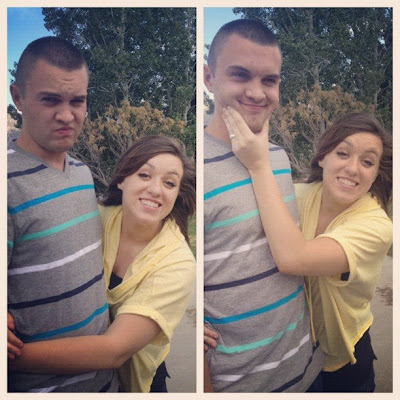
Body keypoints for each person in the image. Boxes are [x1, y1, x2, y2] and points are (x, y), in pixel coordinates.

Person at [221, 108, 392, 392]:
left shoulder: (377, 226)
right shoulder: (296, 196)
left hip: (343, 357)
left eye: (367, 162)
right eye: (342, 153)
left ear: (376, 174)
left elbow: (292, 259)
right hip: (295, 354)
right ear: (322, 157)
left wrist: (259, 165)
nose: (353, 169)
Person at [8, 135, 196, 393]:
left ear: (177, 194)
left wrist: (11, 358)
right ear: (122, 179)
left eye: (169, 183)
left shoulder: (178, 263)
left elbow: (114, 350)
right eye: (144, 175)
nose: (155, 189)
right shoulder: (94, 217)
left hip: (135, 380)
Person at [203, 19, 324, 392]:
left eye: (269, 80)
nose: (257, 93)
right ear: (208, 78)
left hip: (307, 372)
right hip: (239, 385)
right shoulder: (190, 170)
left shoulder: (278, 158)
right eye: (240, 75)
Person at [7, 36, 119, 392]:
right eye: (50, 100)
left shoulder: (82, 172)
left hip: (106, 382)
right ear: (18, 98)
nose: (67, 115)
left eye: (77, 101)